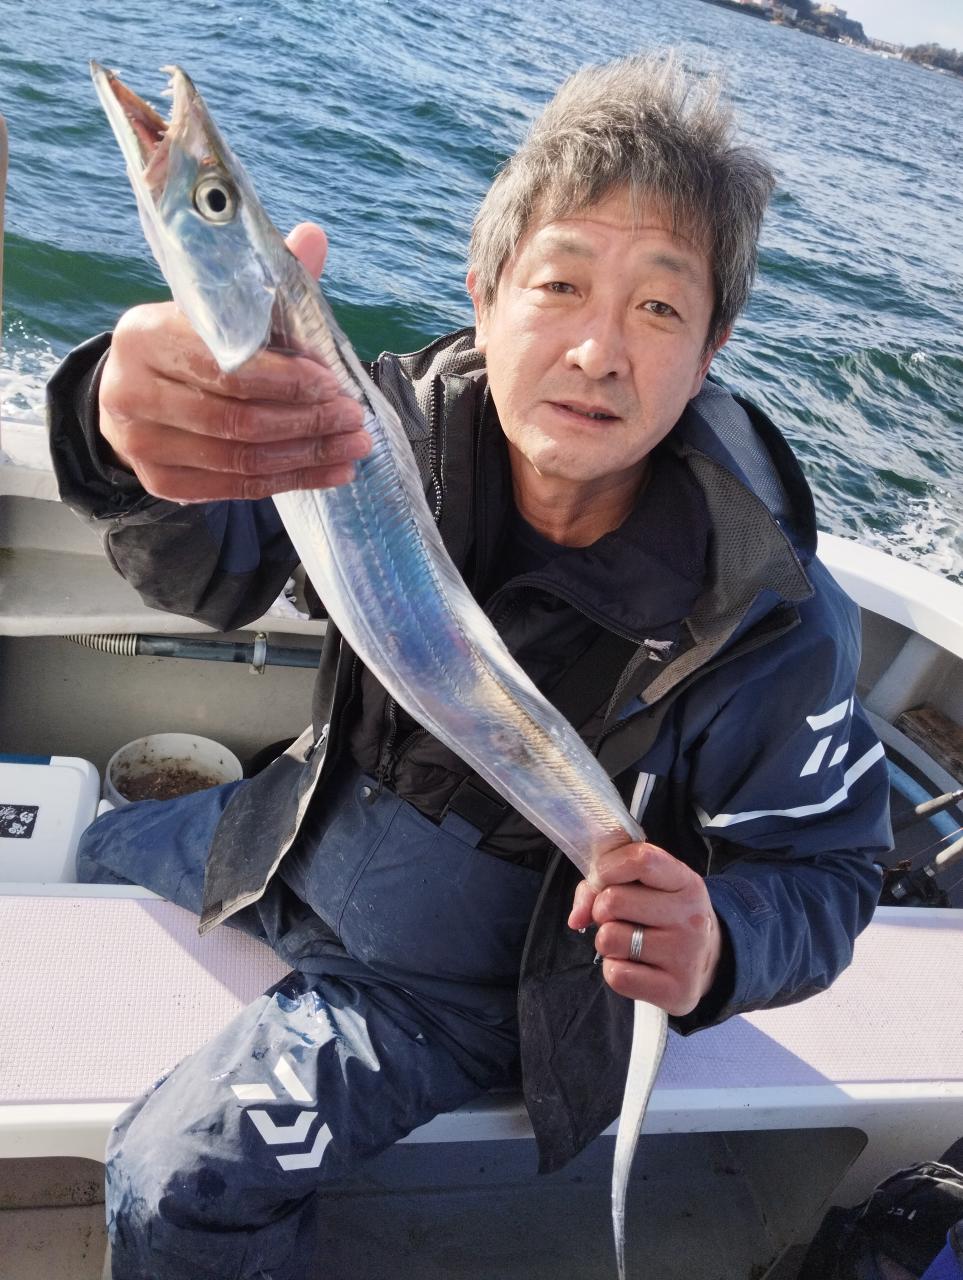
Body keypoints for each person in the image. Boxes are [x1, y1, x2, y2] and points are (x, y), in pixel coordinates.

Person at [47, 52, 891, 1280]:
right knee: (82, 857)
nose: (599, 349)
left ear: (712, 349)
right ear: (485, 295)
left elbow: (831, 870)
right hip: (297, 830)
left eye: (660, 309)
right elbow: (211, 573)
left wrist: (716, 941)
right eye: (561, 283)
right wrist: (112, 431)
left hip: (483, 981)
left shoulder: (765, 611)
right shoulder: (368, 428)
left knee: (176, 1184)